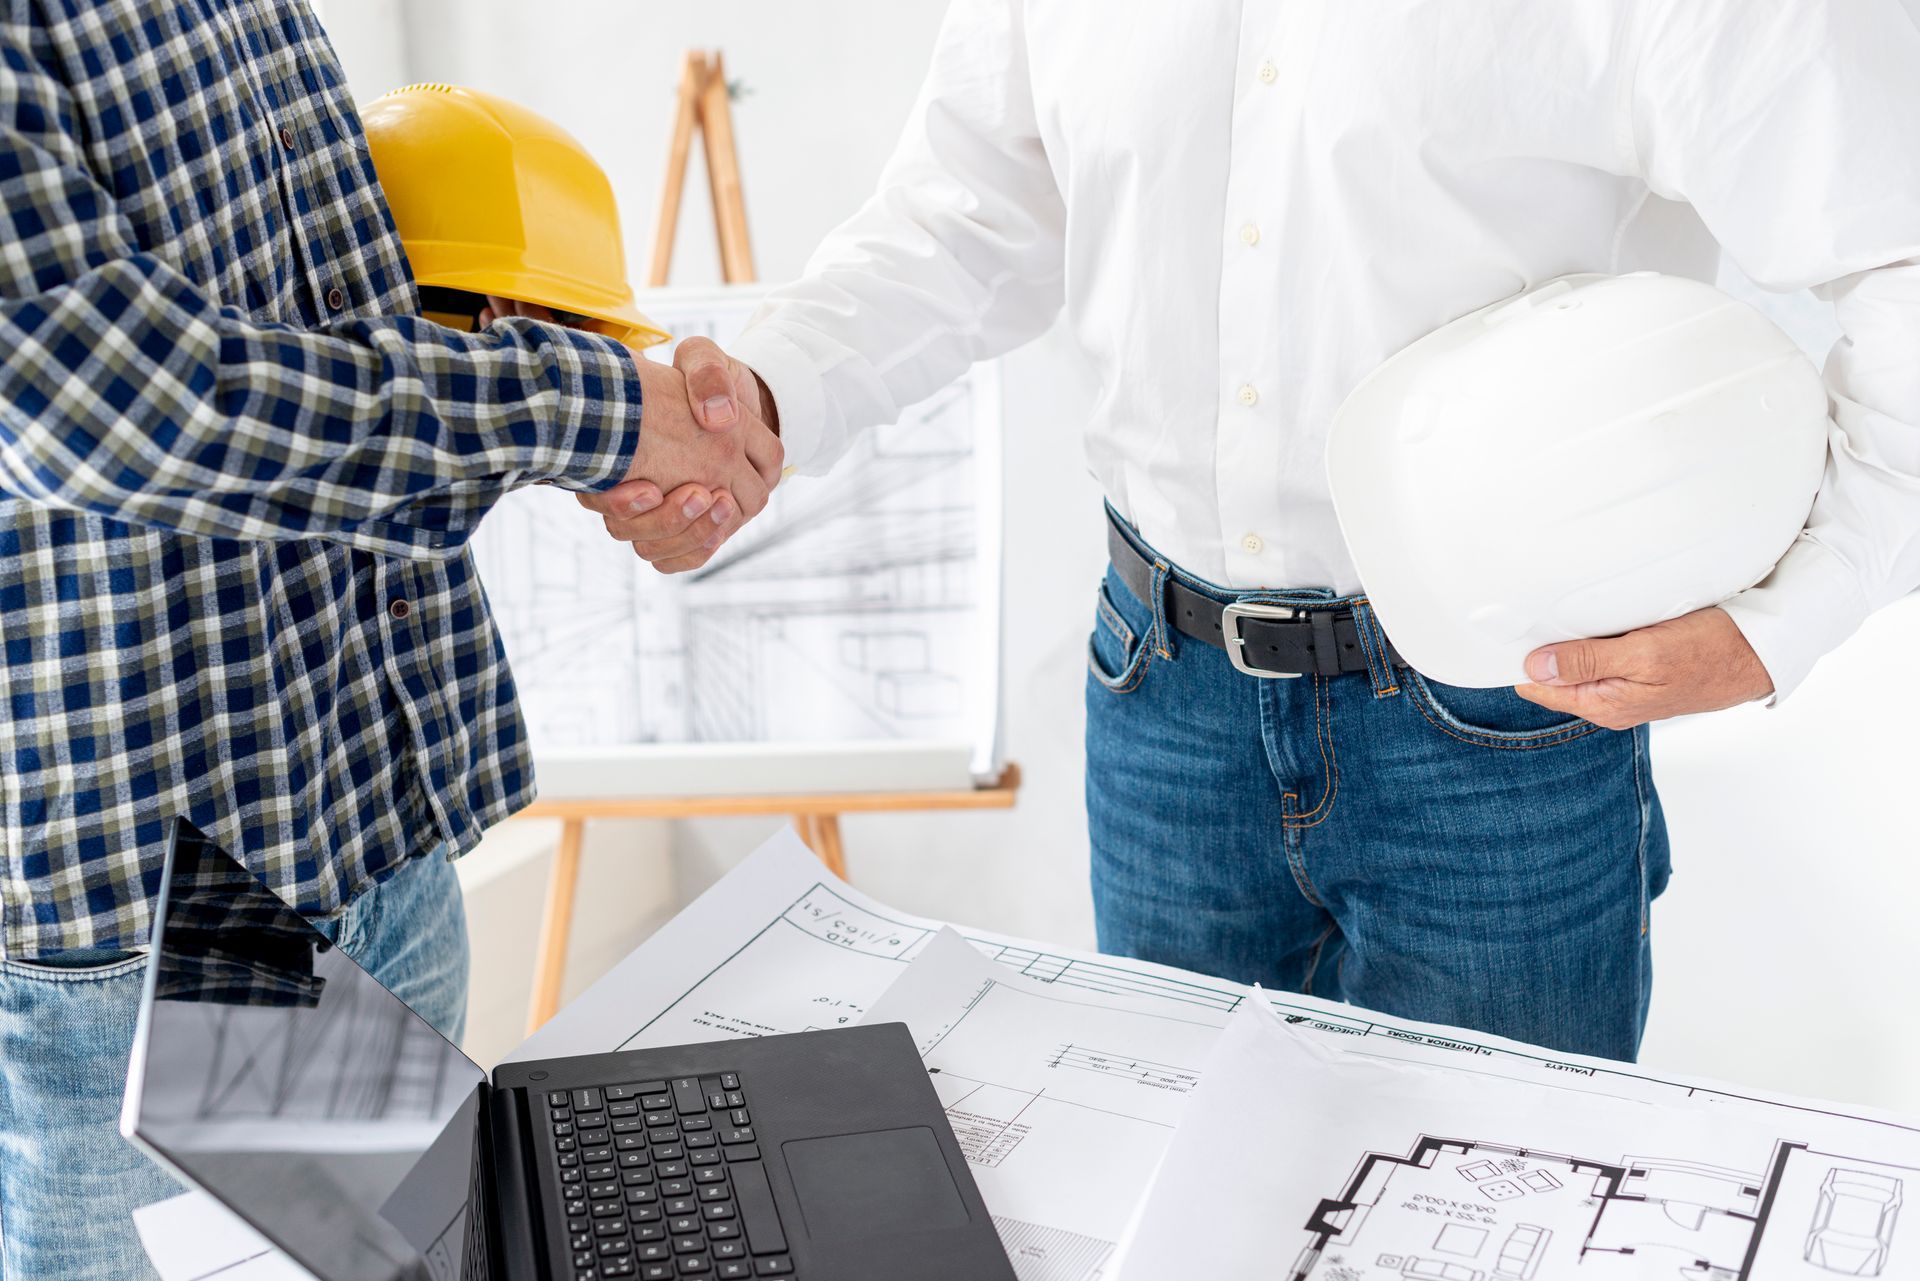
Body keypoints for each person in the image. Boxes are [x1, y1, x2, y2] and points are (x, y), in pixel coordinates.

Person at [587, 0, 1920, 1059]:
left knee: (1496, 1209)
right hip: (1162, 697)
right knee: (1178, 1204)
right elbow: (968, 218)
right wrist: (759, 402)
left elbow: (1900, 249)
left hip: (1498, 722)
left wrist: (1791, 615)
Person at [0, 5, 778, 1278]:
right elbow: (102, 395)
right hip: (146, 934)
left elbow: (301, 298)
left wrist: (557, 366)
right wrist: (591, 412)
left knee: (421, 1261)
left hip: (377, 839)